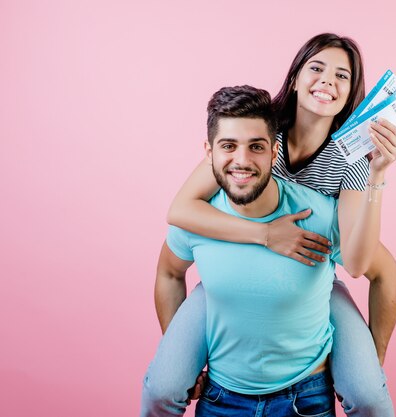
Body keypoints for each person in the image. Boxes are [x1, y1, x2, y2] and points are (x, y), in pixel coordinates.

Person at [165, 33, 396, 416]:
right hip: (239, 266)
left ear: (351, 94)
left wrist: (378, 174)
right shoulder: (258, 133)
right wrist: (265, 233)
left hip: (310, 272)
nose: (327, 80)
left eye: (342, 75)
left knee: (369, 394)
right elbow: (180, 210)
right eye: (316, 67)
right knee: (163, 385)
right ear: (294, 78)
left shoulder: (351, 158)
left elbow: (358, 264)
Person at [143, 85, 343, 416]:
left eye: (256, 147)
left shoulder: (319, 213)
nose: (242, 160)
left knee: (369, 396)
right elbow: (168, 272)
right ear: (208, 152)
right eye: (228, 146)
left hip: (305, 399)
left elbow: (379, 268)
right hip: (221, 399)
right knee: (159, 389)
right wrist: (184, 357)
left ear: (273, 151)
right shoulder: (197, 218)